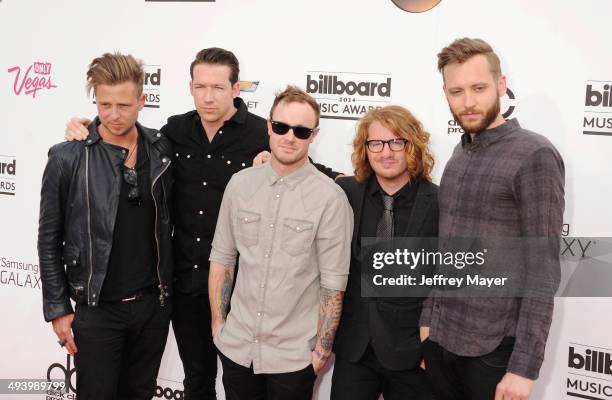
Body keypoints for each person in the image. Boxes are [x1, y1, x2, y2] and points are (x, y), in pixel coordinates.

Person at [64, 47, 340, 399]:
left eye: (218, 87)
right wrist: (87, 127)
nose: (208, 97)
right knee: (197, 379)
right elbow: (124, 133)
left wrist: (351, 178)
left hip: (240, 292)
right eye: (200, 87)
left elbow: (311, 170)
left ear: (236, 89)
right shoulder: (174, 131)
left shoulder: (264, 134)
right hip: (182, 283)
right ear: (190, 87)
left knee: (242, 383)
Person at [419, 38, 565, 400]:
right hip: (441, 341)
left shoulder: (535, 154)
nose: (468, 102)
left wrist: (523, 367)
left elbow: (542, 270)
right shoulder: (458, 153)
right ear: (445, 93)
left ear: (501, 85)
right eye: (457, 91)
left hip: (493, 350)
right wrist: (428, 321)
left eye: (479, 88)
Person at [38, 52, 174, 399]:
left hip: (151, 307)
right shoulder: (68, 156)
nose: (113, 115)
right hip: (97, 311)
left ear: (143, 101)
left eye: (124, 105)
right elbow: (48, 239)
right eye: (105, 104)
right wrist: (57, 308)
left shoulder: (160, 149)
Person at [208, 85, 353, 400]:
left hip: (294, 360)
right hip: (237, 349)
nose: (290, 137)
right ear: (268, 127)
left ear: (313, 135)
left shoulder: (330, 198)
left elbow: (333, 284)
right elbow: (222, 258)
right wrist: (219, 326)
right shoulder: (240, 185)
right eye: (281, 127)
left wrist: (320, 352)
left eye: (301, 131)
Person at [331, 105, 438, 400]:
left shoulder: (438, 202)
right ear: (365, 149)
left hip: (412, 353)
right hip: (355, 349)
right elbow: (307, 172)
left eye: (396, 142)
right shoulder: (348, 192)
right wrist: (267, 156)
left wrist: (432, 347)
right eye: (376, 143)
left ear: (412, 145)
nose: (386, 152)